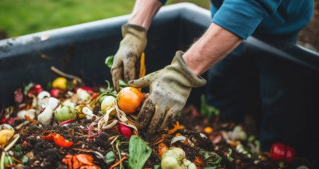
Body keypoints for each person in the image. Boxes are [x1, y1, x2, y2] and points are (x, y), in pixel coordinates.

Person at [111, 0, 316, 162]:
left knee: (277, 103)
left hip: (279, 26)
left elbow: (249, 4)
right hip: (224, 18)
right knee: (222, 97)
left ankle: (266, 154)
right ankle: (229, 141)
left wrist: (182, 74)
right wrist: (135, 30)